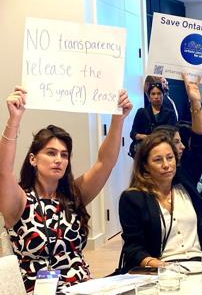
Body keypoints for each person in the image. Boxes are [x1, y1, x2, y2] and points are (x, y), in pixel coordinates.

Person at [0, 86, 132, 291]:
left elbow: (104, 163)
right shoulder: (19, 201)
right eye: (51, 153)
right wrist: (14, 120)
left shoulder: (73, 195)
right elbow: (3, 172)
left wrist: (118, 118)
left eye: (64, 155)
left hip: (83, 286)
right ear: (33, 159)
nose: (59, 160)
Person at [118, 75, 202, 271]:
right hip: (160, 270)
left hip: (198, 265)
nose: (166, 165)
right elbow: (133, 249)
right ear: (145, 165)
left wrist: (195, 101)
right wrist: (161, 266)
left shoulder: (185, 182)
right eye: (158, 160)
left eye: (170, 158)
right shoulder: (133, 198)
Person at [129, 81, 177, 157]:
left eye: (159, 93)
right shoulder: (141, 112)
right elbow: (132, 133)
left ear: (163, 95)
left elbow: (173, 133)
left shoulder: (170, 113)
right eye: (153, 94)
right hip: (144, 151)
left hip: (163, 150)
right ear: (149, 97)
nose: (156, 96)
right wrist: (145, 137)